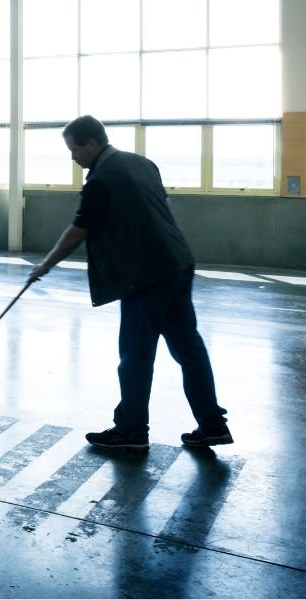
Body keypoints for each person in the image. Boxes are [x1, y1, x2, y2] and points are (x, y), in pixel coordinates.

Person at [28, 115, 232, 450]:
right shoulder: (142, 163)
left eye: (75, 149)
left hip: (146, 275)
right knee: (189, 350)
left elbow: (77, 232)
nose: (73, 157)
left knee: (135, 356)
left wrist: (44, 266)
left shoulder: (102, 180)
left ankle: (132, 431)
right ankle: (213, 425)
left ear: (92, 143)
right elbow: (159, 209)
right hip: (178, 263)